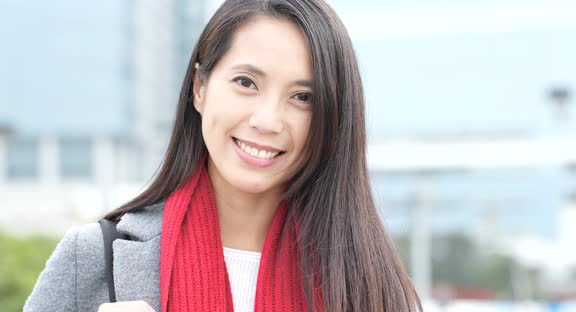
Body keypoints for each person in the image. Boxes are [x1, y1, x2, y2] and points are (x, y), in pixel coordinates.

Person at [25, 0, 422, 311]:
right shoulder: (95, 258)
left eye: (303, 97)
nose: (267, 120)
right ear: (199, 87)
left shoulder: (369, 281)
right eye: (246, 82)